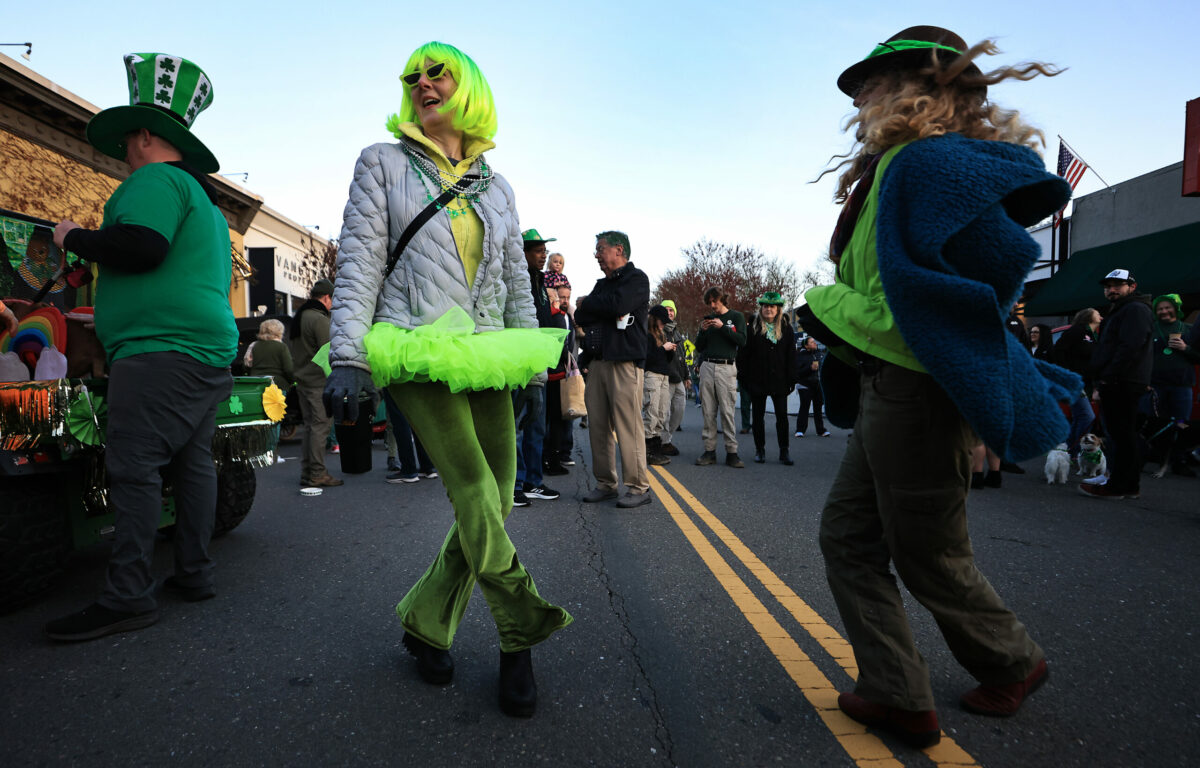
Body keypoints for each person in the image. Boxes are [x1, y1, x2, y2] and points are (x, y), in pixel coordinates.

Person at [804, 26, 1078, 747]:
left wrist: (820, 306)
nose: (857, 94)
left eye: (871, 80)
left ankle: (1004, 662)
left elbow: (914, 311)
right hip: (895, 389)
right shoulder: (903, 166)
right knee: (853, 538)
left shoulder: (918, 167)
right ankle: (902, 687)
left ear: (917, 88)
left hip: (913, 391)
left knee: (924, 550)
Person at [323, 41, 572, 718]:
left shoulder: (498, 186)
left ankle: (425, 622)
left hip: (488, 352)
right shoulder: (380, 163)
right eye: (415, 76)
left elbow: (514, 283)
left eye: (438, 73)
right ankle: (519, 632)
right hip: (412, 346)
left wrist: (532, 359)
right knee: (472, 489)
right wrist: (348, 354)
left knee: (497, 494)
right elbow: (360, 263)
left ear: (468, 89)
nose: (423, 83)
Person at [44, 52, 238, 641]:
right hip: (206, 349)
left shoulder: (153, 179)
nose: (125, 150)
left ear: (146, 136)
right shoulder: (205, 204)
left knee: (134, 467)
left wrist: (73, 235)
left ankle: (128, 594)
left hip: (158, 351)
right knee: (194, 463)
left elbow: (144, 247)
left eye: (130, 138)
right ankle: (194, 572)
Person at [574, 230, 653, 508]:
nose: (596, 255)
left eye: (600, 249)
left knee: (628, 426)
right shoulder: (602, 285)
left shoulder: (637, 279)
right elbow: (580, 315)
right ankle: (606, 483)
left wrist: (590, 304)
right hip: (597, 363)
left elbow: (618, 304)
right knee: (597, 426)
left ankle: (638, 487)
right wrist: (594, 307)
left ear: (618, 250)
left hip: (624, 363)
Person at [1082, 269, 1153, 499]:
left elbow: (1129, 347)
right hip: (1121, 380)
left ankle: (1117, 486)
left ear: (1132, 287)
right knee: (1124, 435)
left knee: (1121, 436)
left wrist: (1108, 376)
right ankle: (1129, 485)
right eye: (1108, 285)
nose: (1112, 289)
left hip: (1123, 381)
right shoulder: (1123, 310)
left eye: (1118, 285)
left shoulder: (1134, 309)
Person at [512, 229, 560, 506]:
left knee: (536, 426)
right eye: (538, 250)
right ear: (524, 252)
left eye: (544, 250)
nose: (544, 255)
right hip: (519, 361)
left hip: (538, 362)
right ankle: (515, 484)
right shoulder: (515, 279)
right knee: (517, 426)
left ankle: (533, 481)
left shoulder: (541, 281)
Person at [291, 278, 342, 488]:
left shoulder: (300, 316)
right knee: (320, 427)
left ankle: (307, 472)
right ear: (327, 297)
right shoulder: (319, 319)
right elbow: (328, 351)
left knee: (311, 428)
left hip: (302, 380)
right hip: (317, 382)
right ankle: (318, 474)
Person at [737, 292, 797, 465]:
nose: (768, 309)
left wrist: (792, 378)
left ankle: (784, 451)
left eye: (772, 306)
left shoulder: (786, 327)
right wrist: (744, 378)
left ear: (778, 309)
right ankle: (760, 450)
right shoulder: (753, 327)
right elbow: (743, 355)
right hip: (757, 379)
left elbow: (791, 355)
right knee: (758, 417)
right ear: (761, 308)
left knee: (782, 417)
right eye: (765, 306)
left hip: (780, 380)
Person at [1142, 293, 1199, 476]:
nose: (1164, 311)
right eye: (1160, 309)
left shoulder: (1189, 329)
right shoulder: (1150, 329)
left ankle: (1179, 461)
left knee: (1181, 423)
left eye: (1167, 307)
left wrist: (1185, 348)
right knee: (1152, 423)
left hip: (1182, 385)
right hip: (1155, 385)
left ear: (1176, 309)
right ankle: (1148, 458)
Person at [694, 286, 747, 467]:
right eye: (709, 302)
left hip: (726, 367)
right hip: (707, 365)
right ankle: (709, 451)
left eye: (715, 301)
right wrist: (702, 330)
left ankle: (732, 452)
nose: (712, 305)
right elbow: (699, 347)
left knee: (727, 410)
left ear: (722, 299)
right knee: (708, 411)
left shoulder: (736, 317)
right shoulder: (708, 320)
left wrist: (723, 327)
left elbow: (741, 340)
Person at [1053, 308, 1101, 460]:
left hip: (1086, 383)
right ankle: (1073, 450)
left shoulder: (1094, 335)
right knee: (1087, 416)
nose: (1100, 315)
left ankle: (1068, 451)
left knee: (1080, 416)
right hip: (1074, 382)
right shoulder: (1076, 331)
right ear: (1088, 317)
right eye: (1097, 313)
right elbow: (1057, 352)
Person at [248, 318, 293, 457]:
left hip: (257, 385)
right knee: (274, 419)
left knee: (260, 419)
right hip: (277, 386)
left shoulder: (255, 346)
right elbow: (289, 368)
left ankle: (258, 449)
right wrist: (292, 381)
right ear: (279, 331)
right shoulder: (281, 347)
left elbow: (247, 365)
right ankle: (271, 450)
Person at [642, 304, 676, 465]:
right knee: (652, 411)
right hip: (652, 375)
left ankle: (656, 449)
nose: (664, 323)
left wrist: (670, 351)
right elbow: (648, 358)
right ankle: (647, 450)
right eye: (662, 320)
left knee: (662, 412)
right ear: (654, 319)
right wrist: (663, 348)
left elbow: (665, 360)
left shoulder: (662, 335)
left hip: (664, 375)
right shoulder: (647, 335)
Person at [659, 299, 689, 456]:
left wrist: (687, 376)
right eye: (666, 310)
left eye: (672, 310)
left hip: (678, 378)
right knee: (664, 413)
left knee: (679, 410)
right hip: (664, 377)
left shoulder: (677, 331)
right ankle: (663, 442)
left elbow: (682, 356)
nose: (669, 313)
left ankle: (665, 438)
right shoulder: (658, 330)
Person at [794, 336, 830, 438]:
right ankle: (800, 430)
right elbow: (798, 373)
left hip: (817, 385)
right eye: (812, 342)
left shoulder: (818, 354)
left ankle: (821, 430)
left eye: (814, 341)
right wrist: (810, 368)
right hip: (805, 385)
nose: (815, 343)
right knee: (804, 408)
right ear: (806, 346)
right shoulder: (800, 355)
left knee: (818, 408)